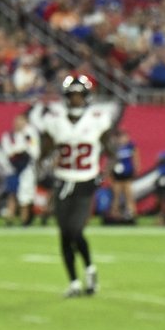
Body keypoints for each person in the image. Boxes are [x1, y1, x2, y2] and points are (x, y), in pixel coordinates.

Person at [34, 73, 117, 297]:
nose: (76, 99)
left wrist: (103, 176)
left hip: (85, 181)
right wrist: (42, 164)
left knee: (75, 230)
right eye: (72, 95)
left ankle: (89, 269)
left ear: (86, 96)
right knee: (64, 234)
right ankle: (73, 282)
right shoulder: (55, 120)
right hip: (62, 181)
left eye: (79, 95)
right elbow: (45, 152)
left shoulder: (97, 118)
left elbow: (112, 151)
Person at [0, 112, 38, 226]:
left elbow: (34, 152)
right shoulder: (8, 136)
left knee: (25, 196)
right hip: (13, 169)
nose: (19, 124)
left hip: (26, 169)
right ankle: (9, 219)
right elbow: (9, 153)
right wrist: (20, 150)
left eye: (22, 121)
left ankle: (24, 220)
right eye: (17, 121)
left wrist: (22, 150)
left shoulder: (29, 136)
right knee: (12, 194)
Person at [109, 127, 137, 222]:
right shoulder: (114, 148)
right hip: (117, 174)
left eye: (124, 137)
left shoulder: (131, 146)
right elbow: (110, 161)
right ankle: (114, 215)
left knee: (128, 195)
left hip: (127, 173)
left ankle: (132, 214)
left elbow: (136, 158)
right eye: (121, 137)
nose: (122, 139)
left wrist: (136, 168)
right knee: (116, 195)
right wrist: (110, 173)